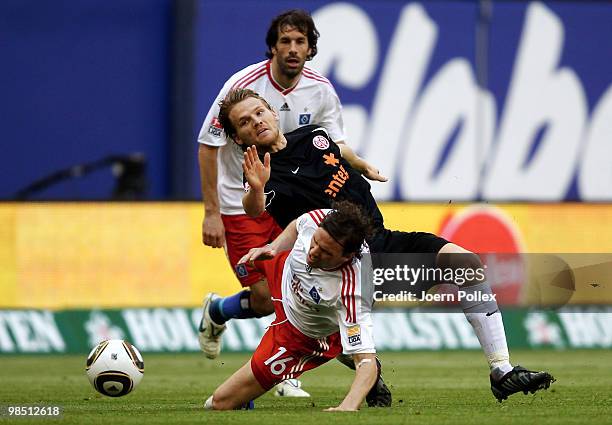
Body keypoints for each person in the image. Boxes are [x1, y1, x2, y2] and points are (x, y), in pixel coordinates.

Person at [216, 87, 556, 402]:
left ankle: (502, 369)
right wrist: (257, 187)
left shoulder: (314, 135)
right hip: (335, 268)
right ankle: (362, 367)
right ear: (237, 138)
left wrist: (361, 164)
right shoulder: (261, 172)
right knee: (338, 329)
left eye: (259, 112)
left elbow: (339, 150)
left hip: (379, 242)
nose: (256, 122)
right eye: (244, 123)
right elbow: (254, 206)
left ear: (273, 113)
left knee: (466, 262)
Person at [196, 9, 385, 371]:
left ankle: (291, 370)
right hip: (244, 204)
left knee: (304, 289)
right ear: (272, 48)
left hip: (295, 207)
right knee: (265, 299)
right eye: (285, 41)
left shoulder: (321, 89)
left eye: (301, 41)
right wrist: (211, 211)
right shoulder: (242, 87)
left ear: (311, 48)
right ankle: (218, 310)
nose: (293, 49)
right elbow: (208, 145)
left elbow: (334, 145)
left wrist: (359, 166)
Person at [204, 202, 380, 411]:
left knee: (219, 404)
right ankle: (216, 309)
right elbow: (298, 225)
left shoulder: (354, 291)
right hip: (282, 267)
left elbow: (367, 361)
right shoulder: (320, 220)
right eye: (315, 241)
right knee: (254, 282)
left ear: (346, 257)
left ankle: (345, 347)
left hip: (299, 336)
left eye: (325, 252)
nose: (313, 252)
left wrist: (348, 406)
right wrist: (273, 247)